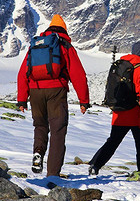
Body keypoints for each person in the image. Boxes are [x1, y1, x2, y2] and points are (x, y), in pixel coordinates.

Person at [17, 14, 90, 177]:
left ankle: (38, 152)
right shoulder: (64, 45)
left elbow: (23, 73)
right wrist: (84, 101)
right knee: (58, 131)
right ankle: (53, 174)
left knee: (40, 126)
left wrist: (22, 99)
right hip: (56, 91)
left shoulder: (36, 44)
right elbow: (78, 74)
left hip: (35, 92)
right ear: (64, 29)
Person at [89, 42, 140, 179]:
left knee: (112, 142)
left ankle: (95, 165)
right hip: (136, 114)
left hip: (120, 113)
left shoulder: (122, 64)